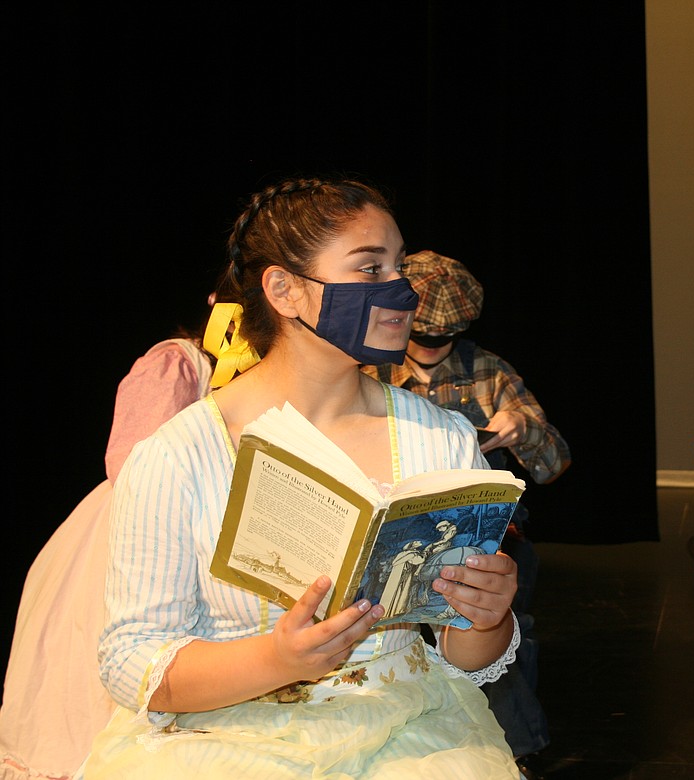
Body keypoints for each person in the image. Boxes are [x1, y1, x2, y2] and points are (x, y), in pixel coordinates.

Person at [77, 177, 523, 779]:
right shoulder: (181, 454)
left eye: (399, 266)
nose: (400, 290)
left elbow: (464, 656)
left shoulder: (440, 437)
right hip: (225, 737)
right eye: (369, 269)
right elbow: (131, 661)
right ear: (284, 289)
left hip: (404, 730)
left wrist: (487, 615)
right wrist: (277, 658)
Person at [365, 250, 571, 775]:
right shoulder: (371, 373)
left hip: (490, 544)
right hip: (394, 544)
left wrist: (526, 430)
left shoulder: (490, 372)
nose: (430, 347)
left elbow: (553, 466)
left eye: (443, 336)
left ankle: (516, 750)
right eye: (422, 333)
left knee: (503, 634)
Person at [0, 334, 215, 780]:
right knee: (96, 654)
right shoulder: (177, 361)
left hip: (199, 527)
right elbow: (131, 457)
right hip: (141, 524)